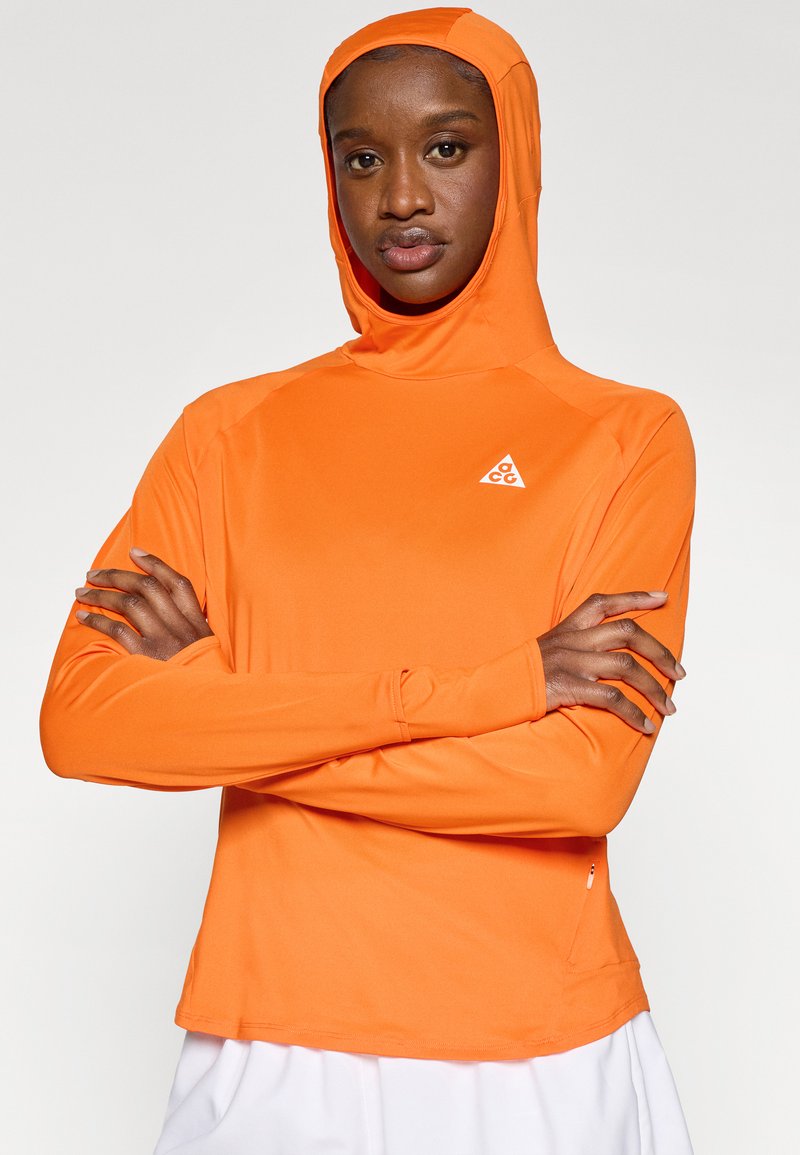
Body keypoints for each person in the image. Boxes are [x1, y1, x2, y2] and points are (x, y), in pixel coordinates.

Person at [39, 8, 696, 1154]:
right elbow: (84, 725)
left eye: (444, 147)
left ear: (514, 155)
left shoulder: (623, 437)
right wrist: (497, 687)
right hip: (268, 1039)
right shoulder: (227, 435)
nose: (398, 197)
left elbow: (575, 783)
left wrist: (221, 703)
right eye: (359, 157)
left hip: (534, 1049)